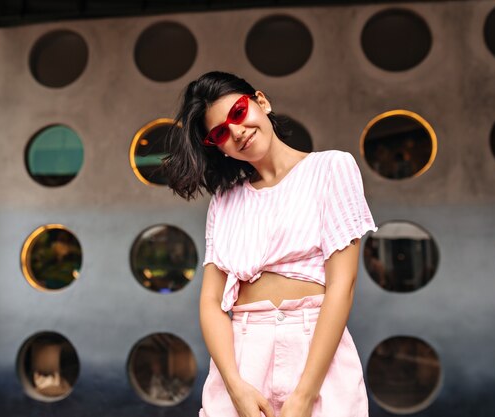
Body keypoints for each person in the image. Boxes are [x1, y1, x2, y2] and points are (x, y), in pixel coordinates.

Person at [162, 71, 378, 417]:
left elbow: (342, 285)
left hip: (315, 349)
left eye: (238, 112)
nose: (236, 131)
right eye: (220, 133)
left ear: (261, 102)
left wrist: (305, 394)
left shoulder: (331, 168)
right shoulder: (224, 201)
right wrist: (235, 387)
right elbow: (211, 302)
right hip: (243, 353)